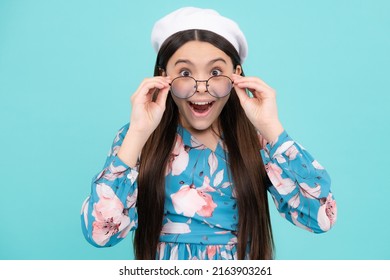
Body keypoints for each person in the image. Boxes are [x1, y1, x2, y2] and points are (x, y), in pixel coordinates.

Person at [81, 7, 337, 260]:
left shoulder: (258, 141)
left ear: (236, 75)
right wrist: (138, 132)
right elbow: (101, 234)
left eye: (215, 72)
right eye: (184, 73)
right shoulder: (137, 138)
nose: (200, 88)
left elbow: (320, 217)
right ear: (163, 77)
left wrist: (271, 127)